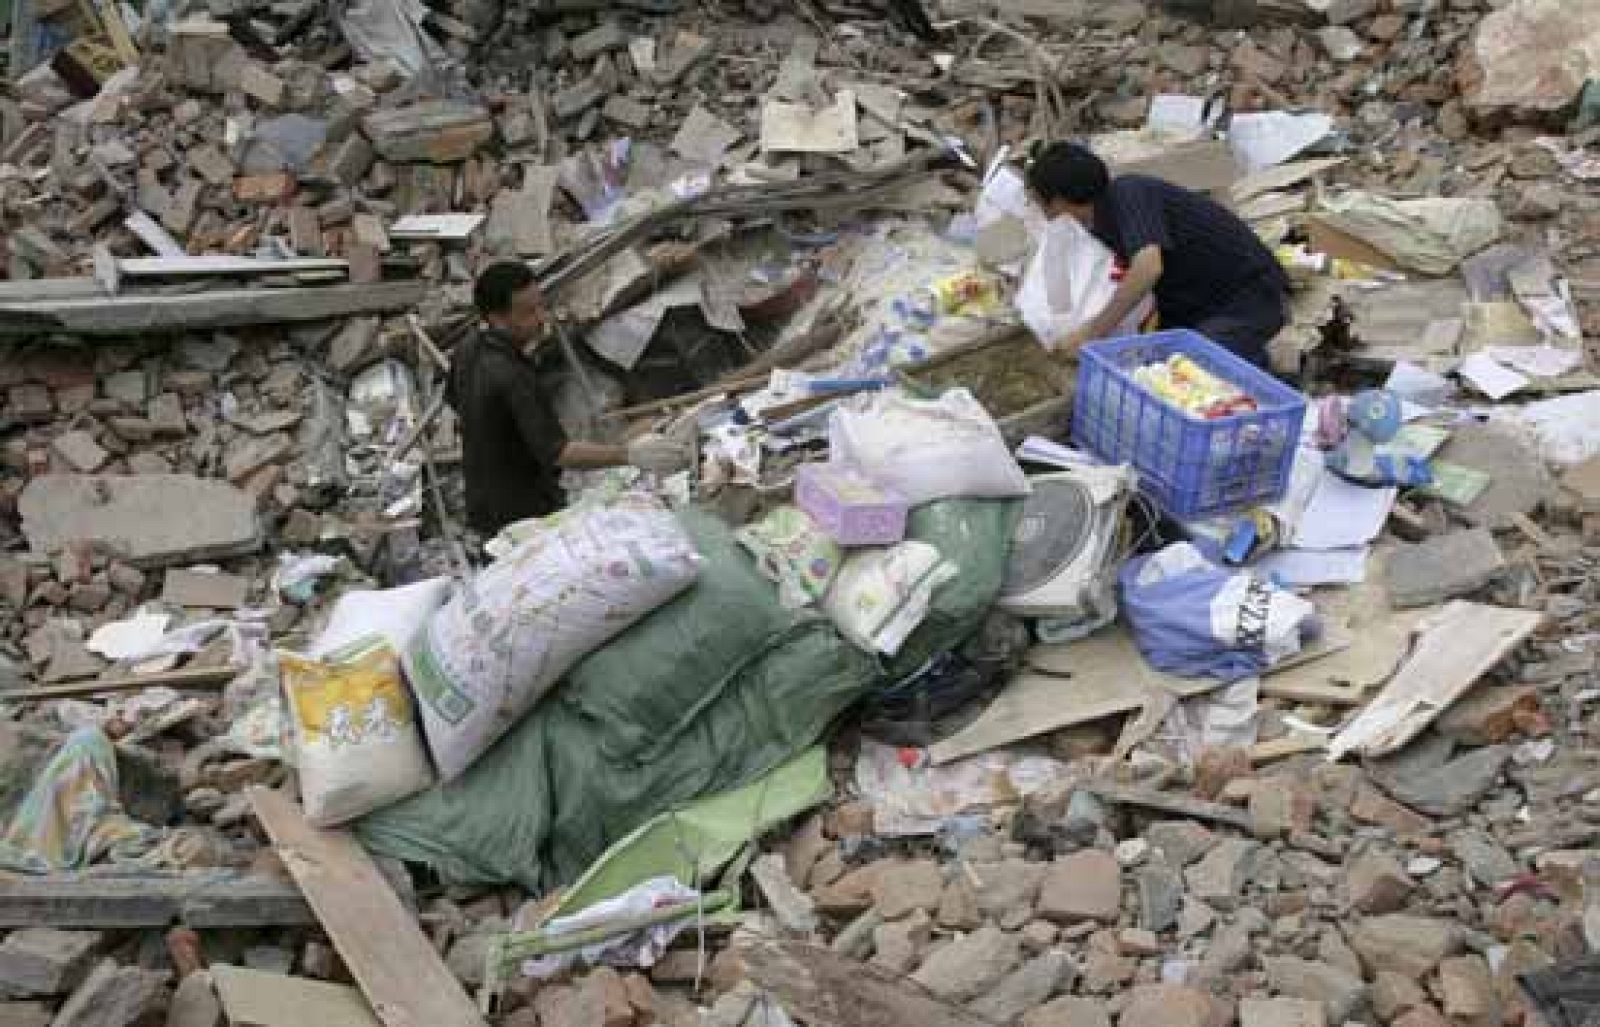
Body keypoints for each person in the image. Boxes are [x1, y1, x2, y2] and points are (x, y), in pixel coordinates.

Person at [1024, 141, 1291, 368]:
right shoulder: (1096, 224)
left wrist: (1092, 333)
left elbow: (1148, 267)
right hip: (1195, 308)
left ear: (1058, 200)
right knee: (1145, 368)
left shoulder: (1129, 194)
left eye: (1037, 199)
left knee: (1187, 374)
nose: (1036, 208)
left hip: (1249, 299)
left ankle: (1255, 365)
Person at [449, 261, 571, 536]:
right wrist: (629, 454)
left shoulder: (467, 348)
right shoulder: (511, 375)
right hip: (525, 513)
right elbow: (558, 453)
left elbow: (455, 402)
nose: (541, 318)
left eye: (541, 306)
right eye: (529, 312)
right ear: (497, 318)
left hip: (482, 502)